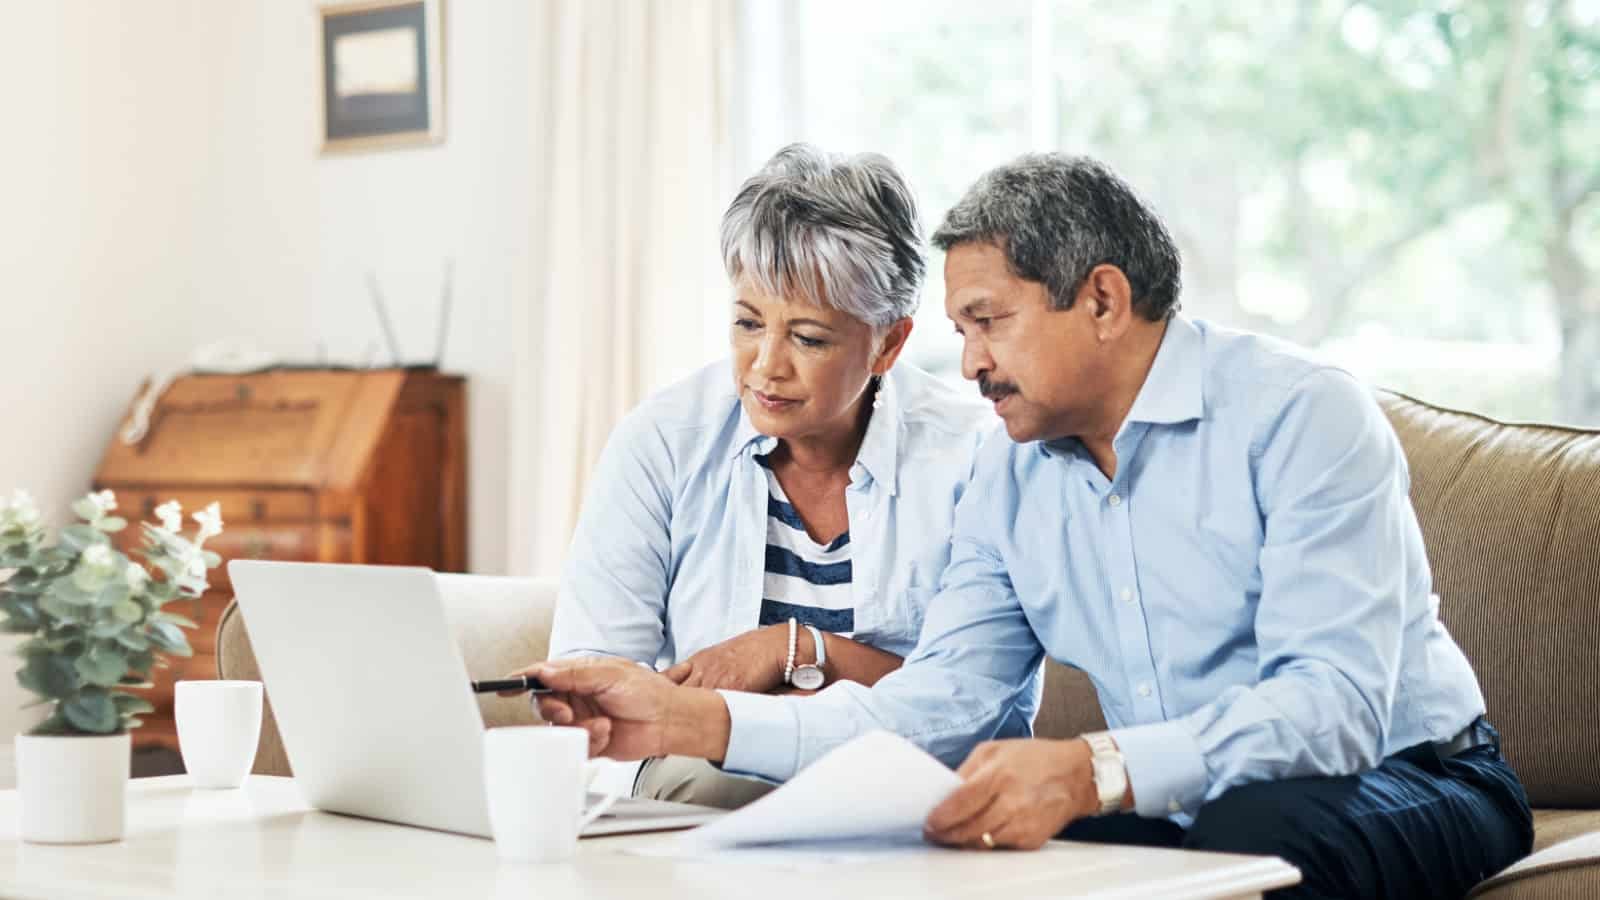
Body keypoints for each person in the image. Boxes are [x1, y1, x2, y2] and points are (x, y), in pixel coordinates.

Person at [516, 153, 1535, 898]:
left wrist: (1094, 769)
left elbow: (1333, 710)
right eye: (960, 331)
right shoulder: (1005, 475)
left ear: (1102, 301)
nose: (967, 364)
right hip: (1179, 800)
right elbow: (936, 709)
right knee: (1018, 863)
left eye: (988, 322)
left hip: (1409, 773)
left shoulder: (1300, 415)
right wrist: (686, 721)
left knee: (1246, 834)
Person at [544, 143, 1024, 810]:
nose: (766, 365)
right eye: (747, 323)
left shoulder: (973, 458)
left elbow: (976, 706)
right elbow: (595, 676)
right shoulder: (663, 441)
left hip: (905, 791)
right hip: (702, 793)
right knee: (707, 782)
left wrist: (795, 649)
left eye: (808, 338)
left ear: (888, 343)